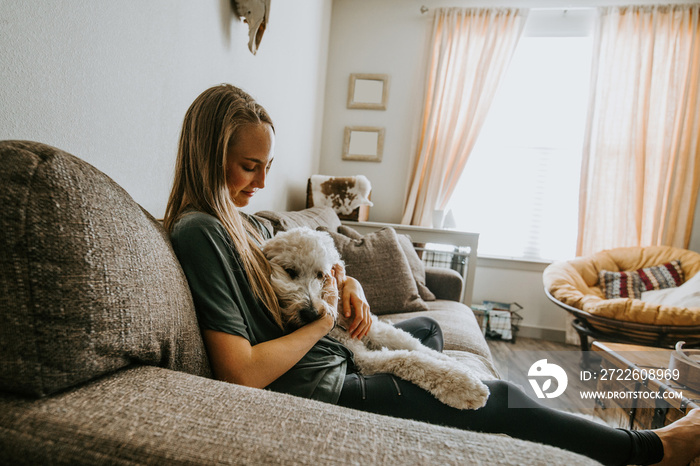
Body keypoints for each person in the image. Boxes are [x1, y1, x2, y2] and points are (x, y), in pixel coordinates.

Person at [164, 83, 700, 466]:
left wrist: (348, 285)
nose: (259, 181)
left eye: (267, 166)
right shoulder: (200, 231)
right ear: (209, 156)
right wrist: (321, 319)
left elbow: (321, 255)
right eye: (248, 166)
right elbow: (242, 373)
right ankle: (652, 450)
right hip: (322, 382)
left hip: (336, 349)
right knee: (500, 397)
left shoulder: (245, 220)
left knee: (429, 331)